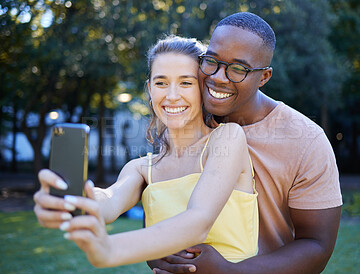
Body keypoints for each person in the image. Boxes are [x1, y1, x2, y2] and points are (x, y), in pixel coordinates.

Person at [33, 35, 259, 267]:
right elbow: (109, 201)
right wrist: (70, 200)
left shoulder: (227, 138)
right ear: (150, 89)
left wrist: (110, 249)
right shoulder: (141, 169)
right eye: (161, 83)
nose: (172, 96)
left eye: (186, 83)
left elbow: (198, 221)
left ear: (203, 88)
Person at [148, 12, 343, 274]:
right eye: (212, 61)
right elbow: (159, 212)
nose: (218, 77)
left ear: (264, 77)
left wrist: (227, 271)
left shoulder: (306, 140)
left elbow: (317, 245)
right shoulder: (185, 121)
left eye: (238, 69)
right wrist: (160, 254)